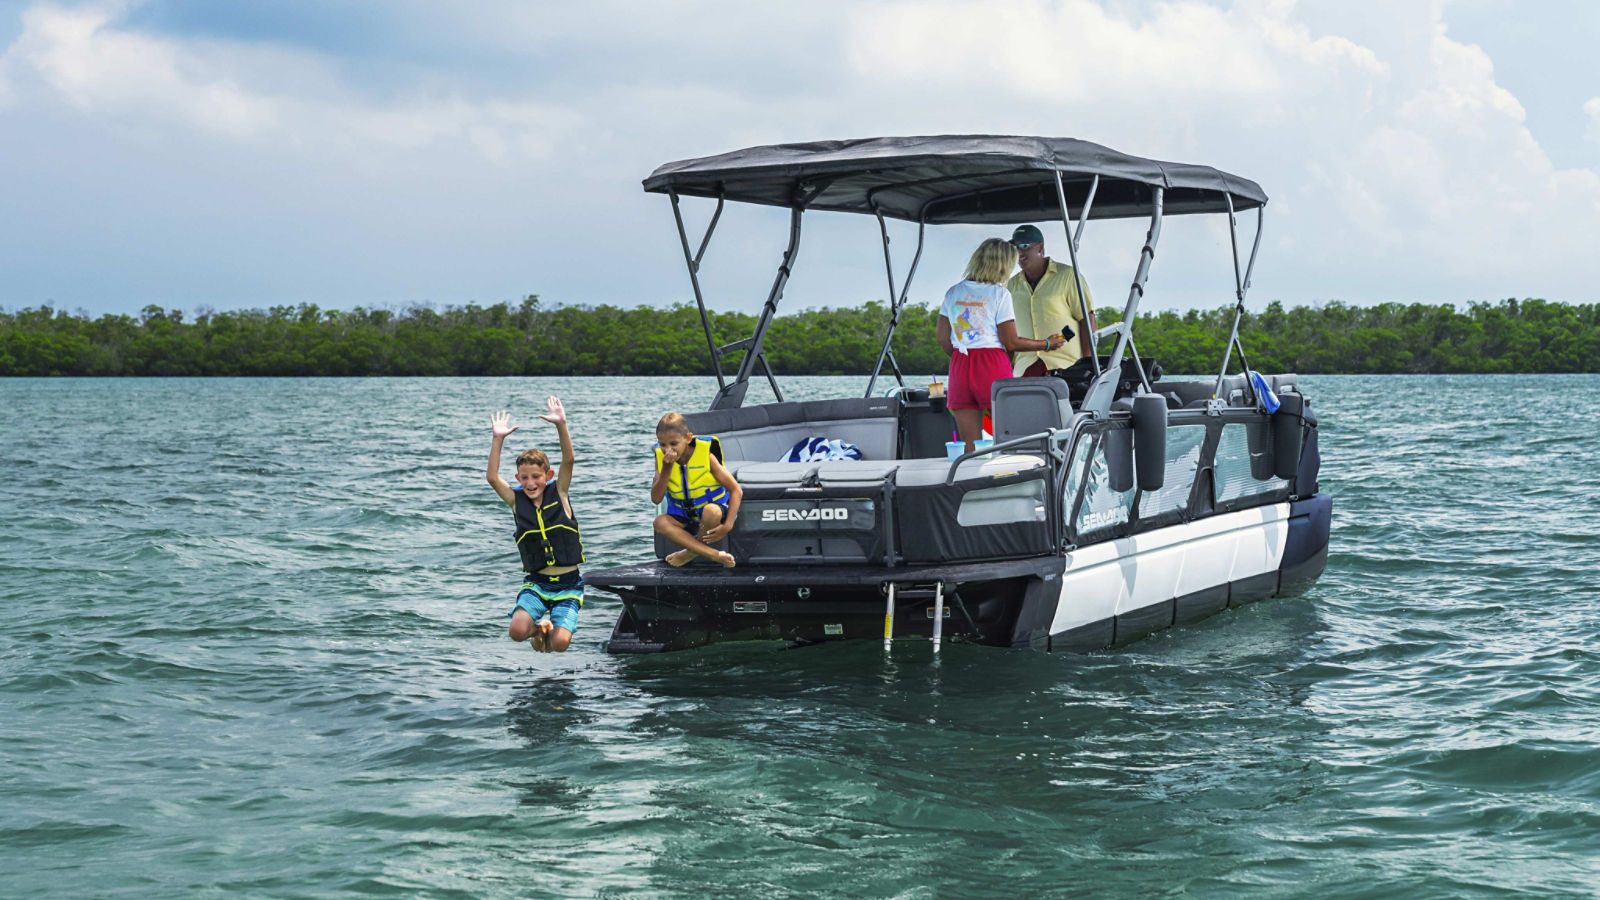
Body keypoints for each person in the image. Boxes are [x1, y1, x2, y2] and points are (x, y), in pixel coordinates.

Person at [937, 238, 1067, 454]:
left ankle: (972, 482)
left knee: (970, 447)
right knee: (1008, 440)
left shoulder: (953, 292)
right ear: (1003, 264)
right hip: (992, 365)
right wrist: (1046, 343)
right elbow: (1011, 342)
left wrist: (963, 357)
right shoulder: (999, 294)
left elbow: (943, 338)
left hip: (960, 363)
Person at [486, 398, 584, 653]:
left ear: (548, 477)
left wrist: (561, 424)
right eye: (525, 478)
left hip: (569, 584)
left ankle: (546, 632)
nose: (530, 483)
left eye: (536, 477)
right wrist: (498, 439)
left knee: (559, 644)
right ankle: (537, 629)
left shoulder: (560, 492)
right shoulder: (516, 502)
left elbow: (569, 460)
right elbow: (492, 478)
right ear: (518, 478)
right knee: (516, 631)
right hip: (537, 584)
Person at [1005, 224, 1097, 377]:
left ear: (1040, 248)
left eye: (1025, 246)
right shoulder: (1010, 285)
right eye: (1015, 248)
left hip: (1066, 367)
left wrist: (1088, 364)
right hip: (1024, 370)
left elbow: (1087, 319)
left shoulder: (1068, 276)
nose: (1019, 252)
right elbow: (1007, 332)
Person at [652, 412, 741, 568]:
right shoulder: (662, 460)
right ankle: (714, 555)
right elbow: (656, 498)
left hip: (711, 516)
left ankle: (689, 553)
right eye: (662, 445)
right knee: (659, 522)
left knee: (711, 511)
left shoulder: (706, 456)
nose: (667, 450)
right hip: (684, 517)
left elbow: (736, 490)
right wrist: (666, 468)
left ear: (688, 438)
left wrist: (728, 525)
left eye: (673, 444)